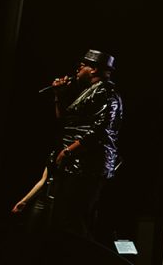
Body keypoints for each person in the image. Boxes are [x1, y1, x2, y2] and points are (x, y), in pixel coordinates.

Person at [45, 49, 123, 238]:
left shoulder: (106, 92)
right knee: (63, 221)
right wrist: (58, 95)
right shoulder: (89, 92)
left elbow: (100, 131)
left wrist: (68, 152)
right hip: (75, 167)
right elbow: (65, 123)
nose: (78, 69)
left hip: (87, 168)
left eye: (83, 65)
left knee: (73, 223)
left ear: (94, 69)